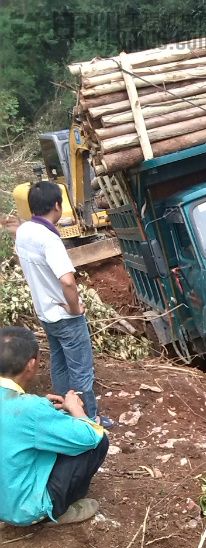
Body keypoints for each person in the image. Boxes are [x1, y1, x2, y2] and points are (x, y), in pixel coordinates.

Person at [14, 180, 112, 427]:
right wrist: (75, 308)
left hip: (45, 313)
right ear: (57, 205)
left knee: (59, 362)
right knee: (81, 371)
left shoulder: (24, 232)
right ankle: (88, 420)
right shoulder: (50, 240)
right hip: (65, 316)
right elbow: (68, 281)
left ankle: (62, 411)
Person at [0, 326, 109, 526]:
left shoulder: (25, 404)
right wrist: (76, 408)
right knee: (99, 440)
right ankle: (56, 509)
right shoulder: (31, 408)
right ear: (31, 364)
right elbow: (91, 435)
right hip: (23, 511)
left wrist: (39, 404)